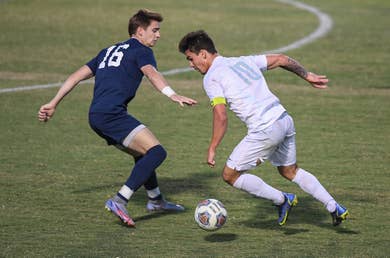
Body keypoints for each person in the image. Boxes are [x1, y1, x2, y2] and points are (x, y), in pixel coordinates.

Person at [38, 9, 197, 227]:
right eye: (155, 30)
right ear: (140, 31)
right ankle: (119, 200)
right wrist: (172, 94)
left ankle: (156, 200)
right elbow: (152, 73)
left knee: (144, 154)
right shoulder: (142, 50)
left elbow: (76, 76)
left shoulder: (107, 51)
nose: (158, 35)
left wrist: (53, 103)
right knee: (157, 152)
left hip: (96, 116)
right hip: (111, 115)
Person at [178, 30, 348, 226]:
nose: (191, 65)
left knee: (229, 175)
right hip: (284, 119)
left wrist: (212, 147)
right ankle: (334, 207)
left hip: (265, 129)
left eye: (190, 59)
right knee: (289, 170)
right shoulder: (243, 61)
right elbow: (282, 59)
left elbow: (221, 115)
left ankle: (283, 199)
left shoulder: (211, 78)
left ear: (203, 54)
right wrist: (307, 75)